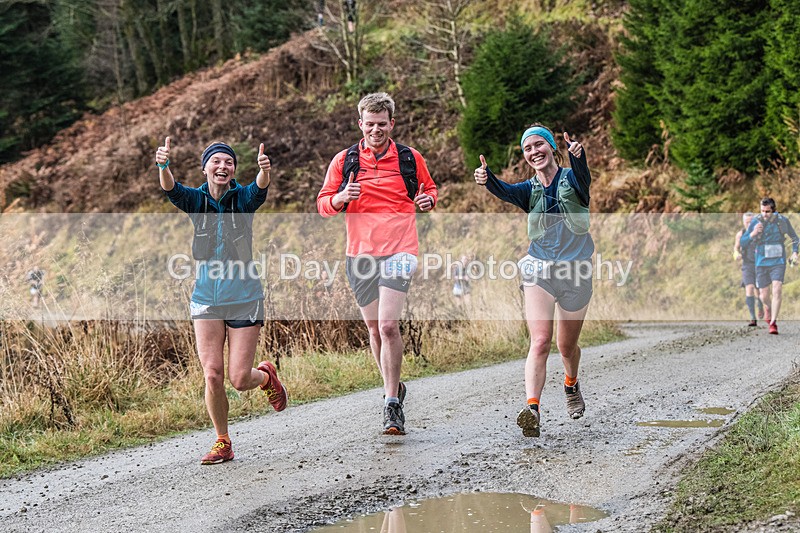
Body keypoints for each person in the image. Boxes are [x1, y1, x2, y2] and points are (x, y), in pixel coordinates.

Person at [156, 136, 288, 464]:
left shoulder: (241, 199)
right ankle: (222, 441)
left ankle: (266, 377)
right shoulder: (197, 201)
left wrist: (264, 171)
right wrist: (163, 166)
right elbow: (171, 189)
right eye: (216, 161)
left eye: (228, 162)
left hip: (244, 296)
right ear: (205, 169)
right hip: (206, 299)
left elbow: (258, 189)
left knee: (240, 379)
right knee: (212, 374)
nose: (222, 166)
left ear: (233, 170)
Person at [317, 92, 438, 435]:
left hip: (400, 249)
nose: (376, 130)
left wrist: (428, 200)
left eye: (381, 124)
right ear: (360, 124)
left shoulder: (409, 158)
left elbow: (429, 190)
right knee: (373, 330)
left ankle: (391, 405)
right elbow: (323, 204)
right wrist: (341, 197)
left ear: (392, 124)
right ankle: (393, 385)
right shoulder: (345, 161)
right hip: (359, 254)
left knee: (387, 326)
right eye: (369, 124)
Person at [474, 123, 592, 438]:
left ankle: (571, 384)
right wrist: (488, 180)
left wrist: (578, 156)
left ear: (552, 147)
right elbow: (505, 191)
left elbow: (583, 174)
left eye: (539, 145)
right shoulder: (529, 190)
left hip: (575, 271)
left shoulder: (573, 180)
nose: (534, 152)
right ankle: (533, 409)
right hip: (539, 268)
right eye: (527, 148)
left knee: (566, 347)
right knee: (540, 341)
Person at [740, 197, 799, 335]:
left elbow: (795, 238)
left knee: (777, 289)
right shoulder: (755, 221)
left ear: (774, 210)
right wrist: (753, 234)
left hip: (778, 262)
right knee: (763, 296)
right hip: (761, 262)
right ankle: (767, 307)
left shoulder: (783, 221)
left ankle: (773, 323)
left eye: (767, 211)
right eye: (762, 211)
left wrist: (795, 252)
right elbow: (743, 242)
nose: (764, 214)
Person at [733, 212, 763, 326]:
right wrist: (737, 255)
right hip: (747, 265)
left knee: (759, 290)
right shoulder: (741, 234)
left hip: (760, 264)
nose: (749, 224)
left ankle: (760, 306)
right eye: (747, 222)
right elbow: (736, 248)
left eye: (751, 222)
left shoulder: (760, 232)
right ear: (743, 222)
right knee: (749, 288)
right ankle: (752, 317)